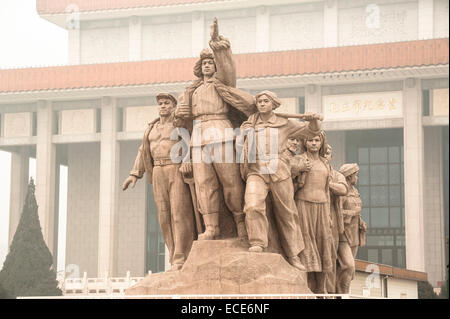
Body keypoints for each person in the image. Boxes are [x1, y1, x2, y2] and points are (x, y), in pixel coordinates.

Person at [174, 18, 255, 241]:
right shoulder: (191, 91)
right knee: (204, 184)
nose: (207, 66)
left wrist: (216, 43)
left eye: (211, 63)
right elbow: (182, 123)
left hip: (221, 133)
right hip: (198, 137)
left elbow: (228, 67)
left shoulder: (222, 84)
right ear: (199, 69)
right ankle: (211, 227)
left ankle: (241, 221)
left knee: (230, 182)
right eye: (204, 64)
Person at [240, 90, 322, 271]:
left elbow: (311, 131)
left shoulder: (285, 124)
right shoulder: (250, 123)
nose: (262, 104)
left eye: (265, 101)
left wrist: (312, 119)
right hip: (257, 169)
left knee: (287, 213)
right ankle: (258, 242)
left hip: (279, 170)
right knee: (252, 205)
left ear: (274, 104)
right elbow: (242, 140)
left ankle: (293, 254)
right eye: (259, 101)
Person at [122, 93, 196, 272]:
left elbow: (191, 143)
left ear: (173, 106)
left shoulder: (179, 124)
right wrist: (135, 174)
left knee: (179, 214)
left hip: (175, 168)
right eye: (160, 103)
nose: (163, 106)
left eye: (167, 103)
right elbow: (143, 150)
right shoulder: (152, 128)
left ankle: (181, 256)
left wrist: (187, 160)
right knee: (164, 216)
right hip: (157, 171)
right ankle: (173, 256)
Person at [294, 132, 334, 293]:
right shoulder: (300, 159)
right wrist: (300, 175)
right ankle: (306, 288)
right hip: (303, 205)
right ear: (305, 142)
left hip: (322, 207)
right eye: (310, 140)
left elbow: (327, 191)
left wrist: (329, 214)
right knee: (306, 244)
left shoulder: (325, 163)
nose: (314, 143)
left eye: (317, 140)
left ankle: (321, 288)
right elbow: (291, 187)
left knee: (324, 244)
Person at [335, 163, 367, 293]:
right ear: (349, 177)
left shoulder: (355, 192)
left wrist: (361, 221)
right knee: (348, 266)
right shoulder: (342, 192)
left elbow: (357, 211)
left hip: (354, 234)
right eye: (356, 175)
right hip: (343, 235)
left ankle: (343, 293)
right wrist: (351, 213)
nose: (357, 178)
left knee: (350, 270)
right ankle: (339, 293)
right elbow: (336, 212)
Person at [323, 145, 348, 294]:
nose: (325, 155)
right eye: (323, 153)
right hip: (312, 216)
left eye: (328, 153)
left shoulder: (337, 175)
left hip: (331, 221)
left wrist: (326, 183)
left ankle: (330, 293)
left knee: (330, 258)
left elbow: (343, 189)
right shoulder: (310, 170)